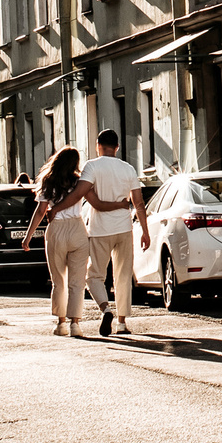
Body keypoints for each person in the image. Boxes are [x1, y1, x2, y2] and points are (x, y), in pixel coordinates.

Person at [78, 129, 151, 337]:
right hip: (124, 228)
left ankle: (105, 309)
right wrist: (145, 232)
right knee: (123, 275)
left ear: (97, 145)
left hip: (100, 229)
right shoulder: (128, 169)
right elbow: (138, 203)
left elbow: (86, 195)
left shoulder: (91, 166)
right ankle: (121, 322)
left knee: (94, 276)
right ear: (117, 147)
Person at [20, 148, 96, 336]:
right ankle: (75, 324)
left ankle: (61, 323)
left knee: (58, 280)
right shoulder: (79, 181)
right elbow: (94, 200)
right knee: (77, 281)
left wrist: (28, 237)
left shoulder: (48, 182)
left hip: (56, 229)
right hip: (78, 228)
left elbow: (40, 211)